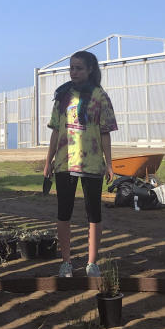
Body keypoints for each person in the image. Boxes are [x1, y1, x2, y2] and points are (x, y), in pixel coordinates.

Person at [43, 51, 117, 278]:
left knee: (93, 214)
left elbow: (105, 133)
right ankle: (66, 261)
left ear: (90, 70)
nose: (73, 72)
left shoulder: (100, 96)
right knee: (63, 213)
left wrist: (109, 163)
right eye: (71, 68)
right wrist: (48, 161)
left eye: (79, 68)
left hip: (92, 164)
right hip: (65, 164)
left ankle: (91, 263)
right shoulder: (63, 95)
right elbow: (56, 130)